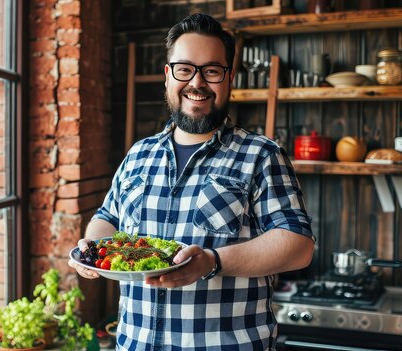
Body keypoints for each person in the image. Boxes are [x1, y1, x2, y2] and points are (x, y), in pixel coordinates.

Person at [70, 13, 314, 351]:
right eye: (185, 69)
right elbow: (107, 219)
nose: (197, 83)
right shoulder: (139, 154)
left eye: (212, 70)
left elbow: (298, 245)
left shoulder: (262, 154)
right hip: (135, 343)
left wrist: (212, 262)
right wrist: (92, 249)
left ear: (229, 78)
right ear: (168, 76)